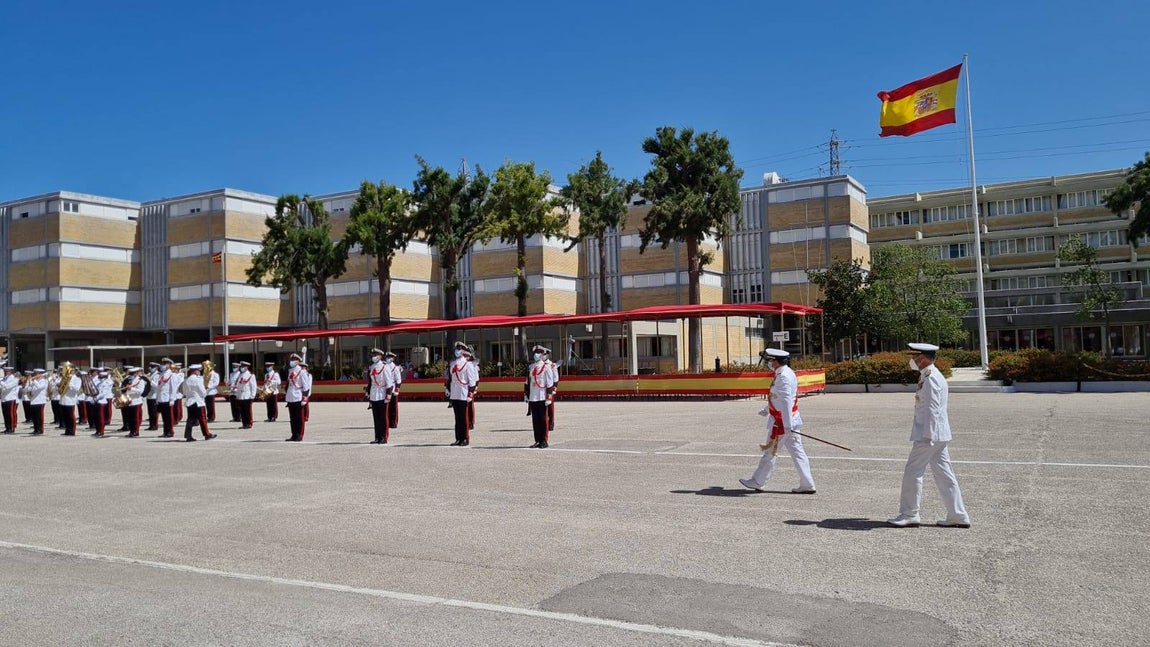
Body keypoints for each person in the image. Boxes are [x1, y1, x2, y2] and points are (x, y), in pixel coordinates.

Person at [887, 343, 972, 529]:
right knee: (944, 474)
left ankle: (909, 513)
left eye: (914, 356)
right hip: (937, 434)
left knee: (913, 471)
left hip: (929, 435)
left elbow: (932, 409)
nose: (912, 360)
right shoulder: (929, 375)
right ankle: (958, 515)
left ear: (922, 358)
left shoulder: (931, 378)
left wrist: (929, 436)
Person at [739, 348, 817, 494]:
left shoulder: (783, 377)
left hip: (782, 422)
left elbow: (787, 401)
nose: (769, 363)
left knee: (770, 452)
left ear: (776, 361)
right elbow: (778, 398)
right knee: (798, 452)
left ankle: (758, 481)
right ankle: (807, 483)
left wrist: (786, 425)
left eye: (771, 360)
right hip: (787, 419)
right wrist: (767, 409)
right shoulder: (784, 373)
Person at [444, 342, 478, 446]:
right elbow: (450, 378)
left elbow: (472, 381)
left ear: (463, 351)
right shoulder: (453, 364)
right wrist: (447, 389)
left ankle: (465, 438)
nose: (457, 351)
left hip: (463, 393)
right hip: (454, 393)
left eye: (459, 349)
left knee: (464, 417)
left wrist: (470, 394)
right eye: (456, 349)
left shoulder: (468, 365)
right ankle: (458, 438)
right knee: (457, 417)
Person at [525, 344, 557, 448]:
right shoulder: (531, 367)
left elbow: (550, 383)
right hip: (533, 397)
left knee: (543, 419)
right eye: (535, 353)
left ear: (542, 354)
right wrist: (526, 394)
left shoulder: (546, 367)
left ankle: (544, 440)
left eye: (539, 353)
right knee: (535, 420)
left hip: (542, 396)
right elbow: (527, 382)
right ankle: (537, 440)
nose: (537, 355)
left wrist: (549, 396)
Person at [181, 364, 215, 442]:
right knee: (202, 419)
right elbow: (202, 392)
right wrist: (206, 392)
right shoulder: (197, 379)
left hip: (190, 402)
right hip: (198, 402)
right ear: (195, 371)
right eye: (198, 370)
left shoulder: (186, 380)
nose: (199, 372)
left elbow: (184, 391)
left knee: (190, 419)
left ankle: (188, 435)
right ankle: (207, 434)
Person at [366, 348, 393, 444]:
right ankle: (377, 437)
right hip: (374, 395)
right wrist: (368, 394)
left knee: (383, 418)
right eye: (373, 355)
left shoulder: (385, 367)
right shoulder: (372, 367)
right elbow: (370, 382)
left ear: (380, 356)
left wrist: (388, 396)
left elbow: (389, 383)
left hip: (382, 394)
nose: (374, 356)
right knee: (376, 418)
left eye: (376, 355)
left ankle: (384, 437)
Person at [284, 353, 312, 442]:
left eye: (294, 360)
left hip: (298, 396)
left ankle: (299, 435)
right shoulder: (290, 371)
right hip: (291, 397)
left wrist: (304, 398)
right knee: (292, 418)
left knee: (299, 418)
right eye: (291, 360)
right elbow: (289, 384)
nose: (291, 361)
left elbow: (306, 386)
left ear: (298, 361)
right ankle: (294, 434)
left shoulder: (302, 372)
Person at [154, 358, 178, 438]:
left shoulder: (172, 374)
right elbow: (158, 388)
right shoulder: (161, 374)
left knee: (169, 417)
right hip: (161, 398)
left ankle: (170, 432)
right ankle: (165, 432)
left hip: (167, 398)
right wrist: (157, 399)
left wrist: (172, 399)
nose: (163, 365)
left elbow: (174, 388)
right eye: (163, 363)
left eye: (166, 364)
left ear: (169, 365)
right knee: (164, 417)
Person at [58, 366, 83, 436]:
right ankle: (67, 430)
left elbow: (77, 389)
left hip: (70, 400)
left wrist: (69, 384)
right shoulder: (64, 378)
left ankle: (72, 431)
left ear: (73, 371)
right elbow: (60, 387)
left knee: (71, 416)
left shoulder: (77, 379)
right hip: (63, 399)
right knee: (65, 416)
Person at [233, 361, 257, 429]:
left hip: (247, 395)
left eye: (243, 367)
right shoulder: (240, 375)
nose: (242, 368)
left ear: (247, 367)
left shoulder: (251, 375)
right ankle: (244, 423)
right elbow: (238, 385)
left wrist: (252, 396)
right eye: (241, 367)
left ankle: (249, 423)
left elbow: (253, 386)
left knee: (248, 411)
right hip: (241, 396)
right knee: (242, 411)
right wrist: (237, 394)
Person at [123, 366, 146, 437]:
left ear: (136, 373)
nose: (131, 375)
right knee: (130, 418)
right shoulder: (129, 380)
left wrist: (131, 388)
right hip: (129, 401)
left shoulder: (140, 380)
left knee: (135, 418)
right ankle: (132, 431)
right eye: (131, 373)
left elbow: (140, 391)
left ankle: (136, 431)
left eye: (133, 373)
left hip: (136, 401)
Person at [92, 368, 114, 437]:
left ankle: (101, 431)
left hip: (101, 402)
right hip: (96, 401)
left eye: (101, 376)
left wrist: (96, 398)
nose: (99, 377)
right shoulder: (98, 382)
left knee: (101, 417)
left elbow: (103, 394)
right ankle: (97, 430)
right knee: (96, 417)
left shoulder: (106, 383)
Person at [26, 368, 48, 435]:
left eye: (37, 373)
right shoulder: (34, 381)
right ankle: (35, 429)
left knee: (39, 417)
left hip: (40, 401)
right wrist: (29, 383)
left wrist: (34, 380)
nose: (35, 375)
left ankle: (40, 430)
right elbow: (29, 389)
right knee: (34, 417)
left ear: (41, 374)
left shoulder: (44, 381)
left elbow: (39, 387)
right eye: (35, 373)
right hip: (33, 401)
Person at [385, 351, 402, 429]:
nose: (388, 359)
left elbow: (398, 380)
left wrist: (397, 389)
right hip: (386, 388)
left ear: (393, 358)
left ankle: (394, 422)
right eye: (387, 357)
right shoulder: (384, 366)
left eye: (390, 357)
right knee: (386, 407)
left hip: (393, 388)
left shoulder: (395, 368)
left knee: (393, 407)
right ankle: (387, 422)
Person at [0, 365, 20, 433]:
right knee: (5, 414)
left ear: (11, 371)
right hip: (4, 398)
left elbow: (7, 387)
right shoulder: (4, 379)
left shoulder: (14, 379)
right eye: (5, 371)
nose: (6, 372)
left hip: (10, 398)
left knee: (10, 414)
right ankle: (7, 428)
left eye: (7, 371)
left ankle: (11, 428)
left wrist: (1, 383)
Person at [145, 362, 160, 430]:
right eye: (150, 366)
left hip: (154, 396)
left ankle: (155, 425)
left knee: (154, 412)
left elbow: (156, 386)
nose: (150, 368)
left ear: (156, 368)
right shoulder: (149, 374)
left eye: (153, 367)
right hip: (149, 395)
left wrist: (150, 380)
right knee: (150, 412)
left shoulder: (157, 375)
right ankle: (151, 425)